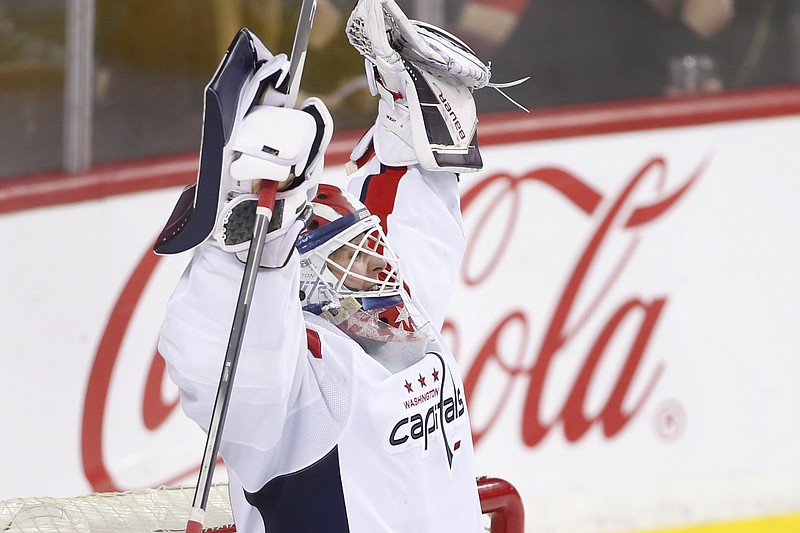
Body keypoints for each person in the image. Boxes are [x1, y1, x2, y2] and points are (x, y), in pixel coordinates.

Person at [156, 0, 497, 531]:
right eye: (351, 252)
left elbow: (413, 209)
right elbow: (223, 353)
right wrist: (249, 245)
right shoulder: (303, 397)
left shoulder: (401, 315)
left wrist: (418, 113)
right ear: (307, 291)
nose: (379, 259)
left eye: (367, 239)